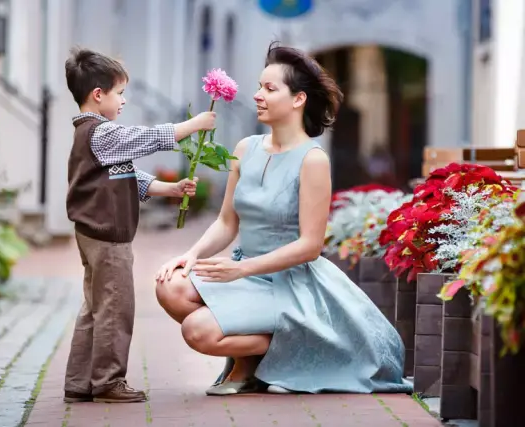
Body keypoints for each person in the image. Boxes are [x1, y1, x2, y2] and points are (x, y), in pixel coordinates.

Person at [154, 42, 413, 396]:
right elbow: (227, 222)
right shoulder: (245, 148)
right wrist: (193, 255)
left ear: (298, 99)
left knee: (197, 331)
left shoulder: (313, 160)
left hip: (291, 284)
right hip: (246, 273)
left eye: (269, 88)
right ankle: (252, 368)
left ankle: (289, 348)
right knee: (170, 287)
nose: (258, 95)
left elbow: (310, 246)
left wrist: (241, 269)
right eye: (260, 86)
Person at [63, 47, 216, 403]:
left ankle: (80, 380)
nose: (124, 100)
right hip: (108, 237)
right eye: (119, 93)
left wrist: (171, 189)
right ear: (98, 95)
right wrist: (192, 126)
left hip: (93, 233)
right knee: (116, 308)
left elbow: (129, 175)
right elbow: (144, 139)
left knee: (95, 306)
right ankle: (108, 381)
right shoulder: (100, 133)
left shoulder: (95, 137)